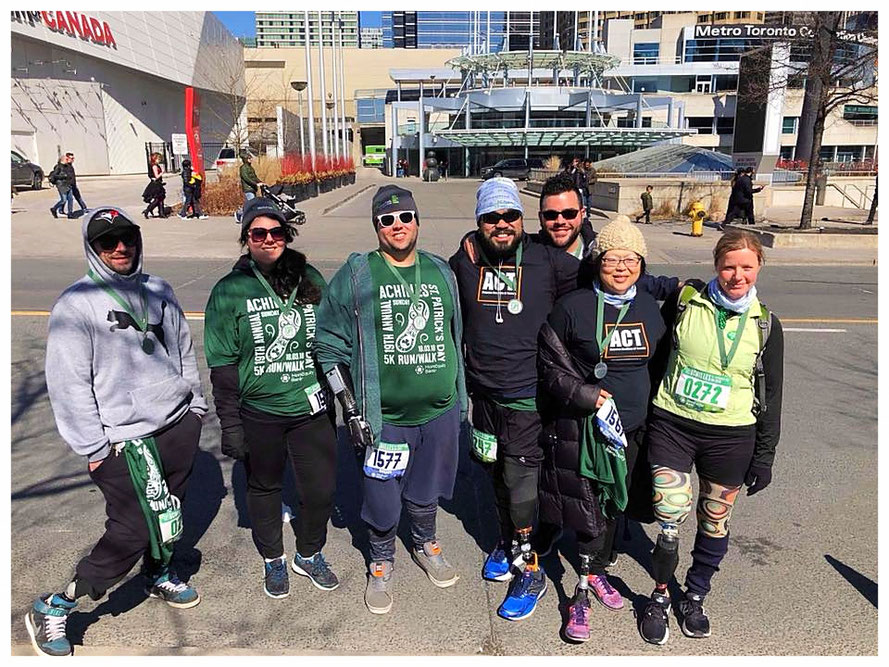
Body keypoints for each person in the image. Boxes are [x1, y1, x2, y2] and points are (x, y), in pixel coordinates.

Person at [27, 206, 208, 657]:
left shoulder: (159, 290)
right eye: (108, 242)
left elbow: (183, 351)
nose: (121, 247)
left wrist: (195, 407)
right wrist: (93, 446)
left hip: (175, 425)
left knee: (168, 519)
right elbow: (68, 384)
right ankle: (57, 605)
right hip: (123, 440)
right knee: (131, 529)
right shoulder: (76, 304)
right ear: (93, 249)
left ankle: (158, 573)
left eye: (127, 237)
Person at [315, 185, 467, 615]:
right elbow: (328, 344)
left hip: (439, 411)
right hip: (386, 419)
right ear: (376, 227)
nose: (397, 226)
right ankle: (381, 561)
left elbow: (457, 335)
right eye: (387, 220)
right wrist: (350, 408)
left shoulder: (440, 270)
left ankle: (425, 543)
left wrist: (461, 399)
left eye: (404, 217)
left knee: (426, 489)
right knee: (382, 495)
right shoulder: (359, 273)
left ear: (418, 221)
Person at [638, 228, 783, 645]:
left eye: (746, 267)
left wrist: (765, 455)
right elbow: (634, 284)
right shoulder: (687, 302)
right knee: (669, 513)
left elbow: (772, 395)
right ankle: (661, 595)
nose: (737, 276)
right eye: (728, 266)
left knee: (715, 522)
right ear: (715, 266)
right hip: (674, 423)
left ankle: (696, 594)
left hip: (732, 434)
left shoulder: (766, 325)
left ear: (758, 268)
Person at [537, 218, 669, 642]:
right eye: (612, 259)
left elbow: (664, 359)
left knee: (618, 500)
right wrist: (584, 395)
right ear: (597, 262)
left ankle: (600, 568)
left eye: (630, 259)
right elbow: (549, 368)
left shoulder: (650, 305)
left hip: (634, 427)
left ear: (641, 264)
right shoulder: (572, 307)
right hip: (587, 427)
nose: (621, 267)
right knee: (588, 502)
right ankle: (585, 574)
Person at [204, 197, 339, 599]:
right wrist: (230, 423)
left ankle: (309, 553)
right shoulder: (230, 290)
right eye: (258, 233)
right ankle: (273, 559)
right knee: (264, 487)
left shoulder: (310, 278)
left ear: (287, 234)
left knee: (321, 490)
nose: (268, 239)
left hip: (311, 408)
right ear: (246, 238)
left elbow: (334, 341)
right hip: (260, 411)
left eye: (276, 232)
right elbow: (224, 366)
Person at [48, 154, 76, 219]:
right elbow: (54, 176)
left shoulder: (67, 166)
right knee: (63, 200)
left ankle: (70, 213)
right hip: (61, 185)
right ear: (62, 160)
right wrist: (64, 176)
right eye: (66, 159)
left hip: (68, 184)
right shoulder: (58, 167)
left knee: (70, 199)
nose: (67, 160)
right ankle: (54, 209)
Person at [142, 152, 168, 219]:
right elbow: (156, 176)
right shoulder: (154, 166)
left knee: (161, 198)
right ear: (155, 159)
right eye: (158, 159)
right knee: (157, 199)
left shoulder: (156, 165)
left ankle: (161, 213)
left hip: (158, 183)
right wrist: (162, 173)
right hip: (155, 184)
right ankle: (148, 210)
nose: (159, 160)